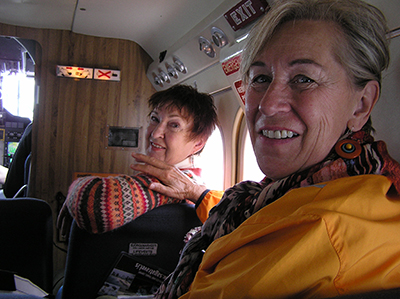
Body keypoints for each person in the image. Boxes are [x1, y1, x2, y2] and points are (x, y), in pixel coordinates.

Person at [143, 0, 400, 298]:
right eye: (261, 78)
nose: (266, 104)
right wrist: (199, 195)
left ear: (361, 105)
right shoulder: (346, 189)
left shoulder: (315, 227)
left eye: (304, 79)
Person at [57, 85, 223, 235]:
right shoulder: (190, 179)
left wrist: (75, 191)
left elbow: (93, 203)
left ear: (198, 143)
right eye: (155, 119)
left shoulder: (175, 185)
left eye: (174, 125)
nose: (156, 133)